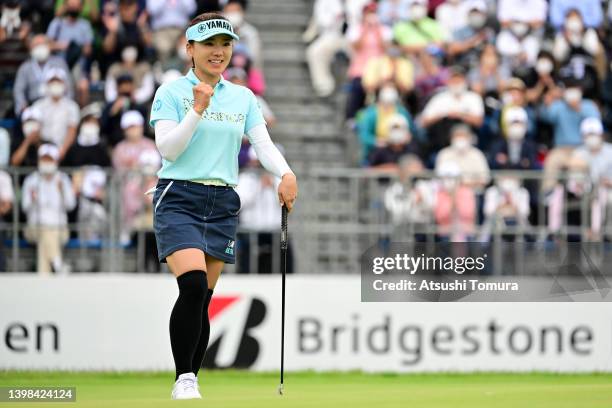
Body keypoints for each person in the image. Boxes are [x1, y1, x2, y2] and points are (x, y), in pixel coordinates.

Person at [148, 13, 297, 399]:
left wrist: (286, 174)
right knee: (194, 285)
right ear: (190, 49)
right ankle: (184, 378)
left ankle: (191, 378)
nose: (219, 52)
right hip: (179, 195)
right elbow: (169, 149)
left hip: (222, 201)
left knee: (205, 298)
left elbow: (262, 144)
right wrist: (197, 109)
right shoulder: (171, 92)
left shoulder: (243, 96)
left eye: (225, 44)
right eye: (210, 44)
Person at [21, 143, 76, 275]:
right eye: (44, 159)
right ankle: (57, 264)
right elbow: (24, 207)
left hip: (60, 229)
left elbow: (71, 206)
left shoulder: (62, 180)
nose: (46, 163)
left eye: (49, 160)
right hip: (34, 228)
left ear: (56, 161)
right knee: (46, 231)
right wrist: (32, 199)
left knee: (46, 239)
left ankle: (46, 276)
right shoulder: (31, 180)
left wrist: (62, 191)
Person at [13, 34, 73, 115]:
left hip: (57, 104)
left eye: (42, 44)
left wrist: (66, 105)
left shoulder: (60, 63)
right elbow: (18, 90)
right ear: (31, 48)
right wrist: (22, 106)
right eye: (37, 45)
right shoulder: (25, 67)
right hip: (33, 106)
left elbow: (68, 87)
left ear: (49, 46)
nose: (40, 47)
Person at [30, 68, 79, 161]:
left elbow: (72, 130)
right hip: (42, 149)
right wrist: (42, 151)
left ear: (64, 84)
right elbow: (35, 129)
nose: (55, 84)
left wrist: (62, 151)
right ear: (47, 84)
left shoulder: (72, 106)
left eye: (59, 81)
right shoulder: (38, 105)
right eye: (52, 82)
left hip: (65, 151)